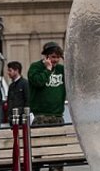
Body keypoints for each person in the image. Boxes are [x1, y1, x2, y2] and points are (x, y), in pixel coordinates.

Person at [28, 41, 66, 171]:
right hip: (40, 116)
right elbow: (38, 82)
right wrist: (48, 70)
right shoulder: (35, 67)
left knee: (57, 154)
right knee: (37, 153)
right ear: (46, 56)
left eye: (57, 57)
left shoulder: (62, 70)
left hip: (57, 115)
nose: (55, 60)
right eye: (52, 57)